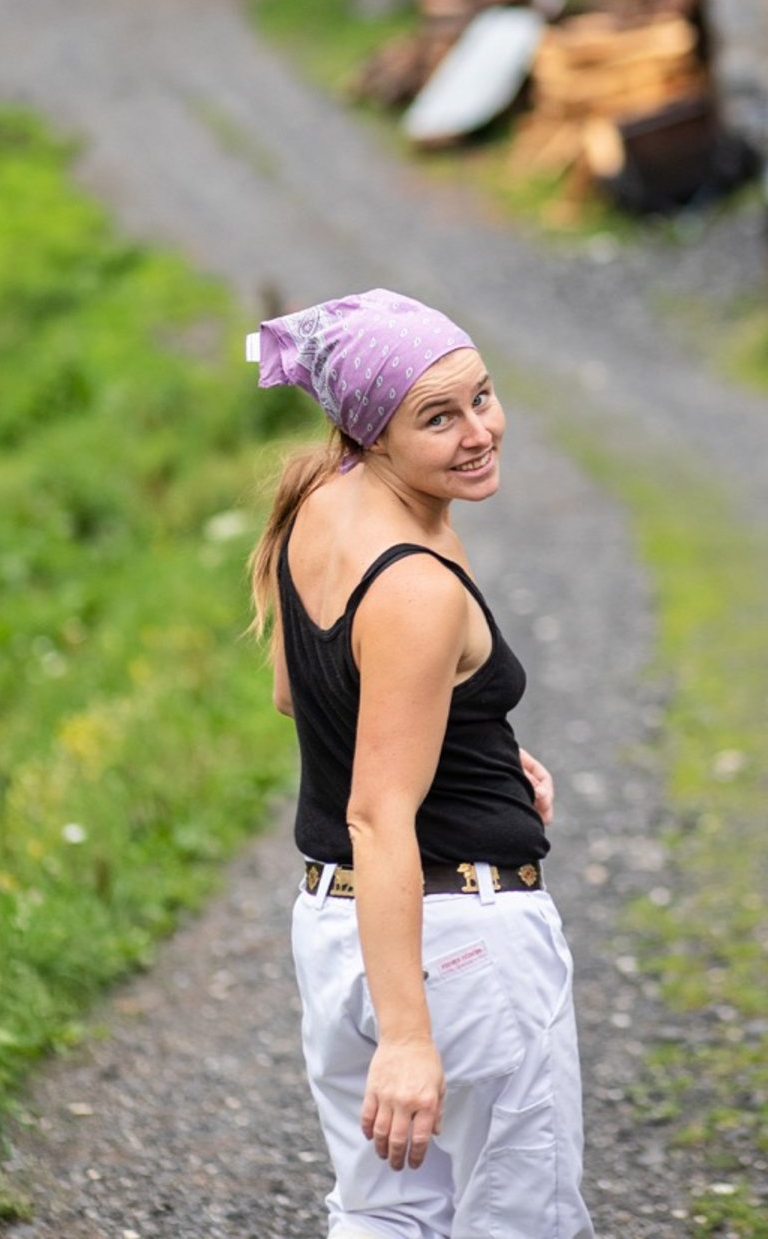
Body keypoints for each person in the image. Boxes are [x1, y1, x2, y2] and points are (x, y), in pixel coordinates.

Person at [246, 288, 595, 1239]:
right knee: (521, 1220)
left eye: (482, 396)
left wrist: (471, 740)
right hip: (454, 950)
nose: (480, 431)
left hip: (335, 928)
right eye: (437, 417)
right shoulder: (414, 580)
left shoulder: (319, 502)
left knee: (385, 1214)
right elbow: (376, 814)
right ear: (375, 433)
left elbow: (302, 690)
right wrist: (408, 1037)